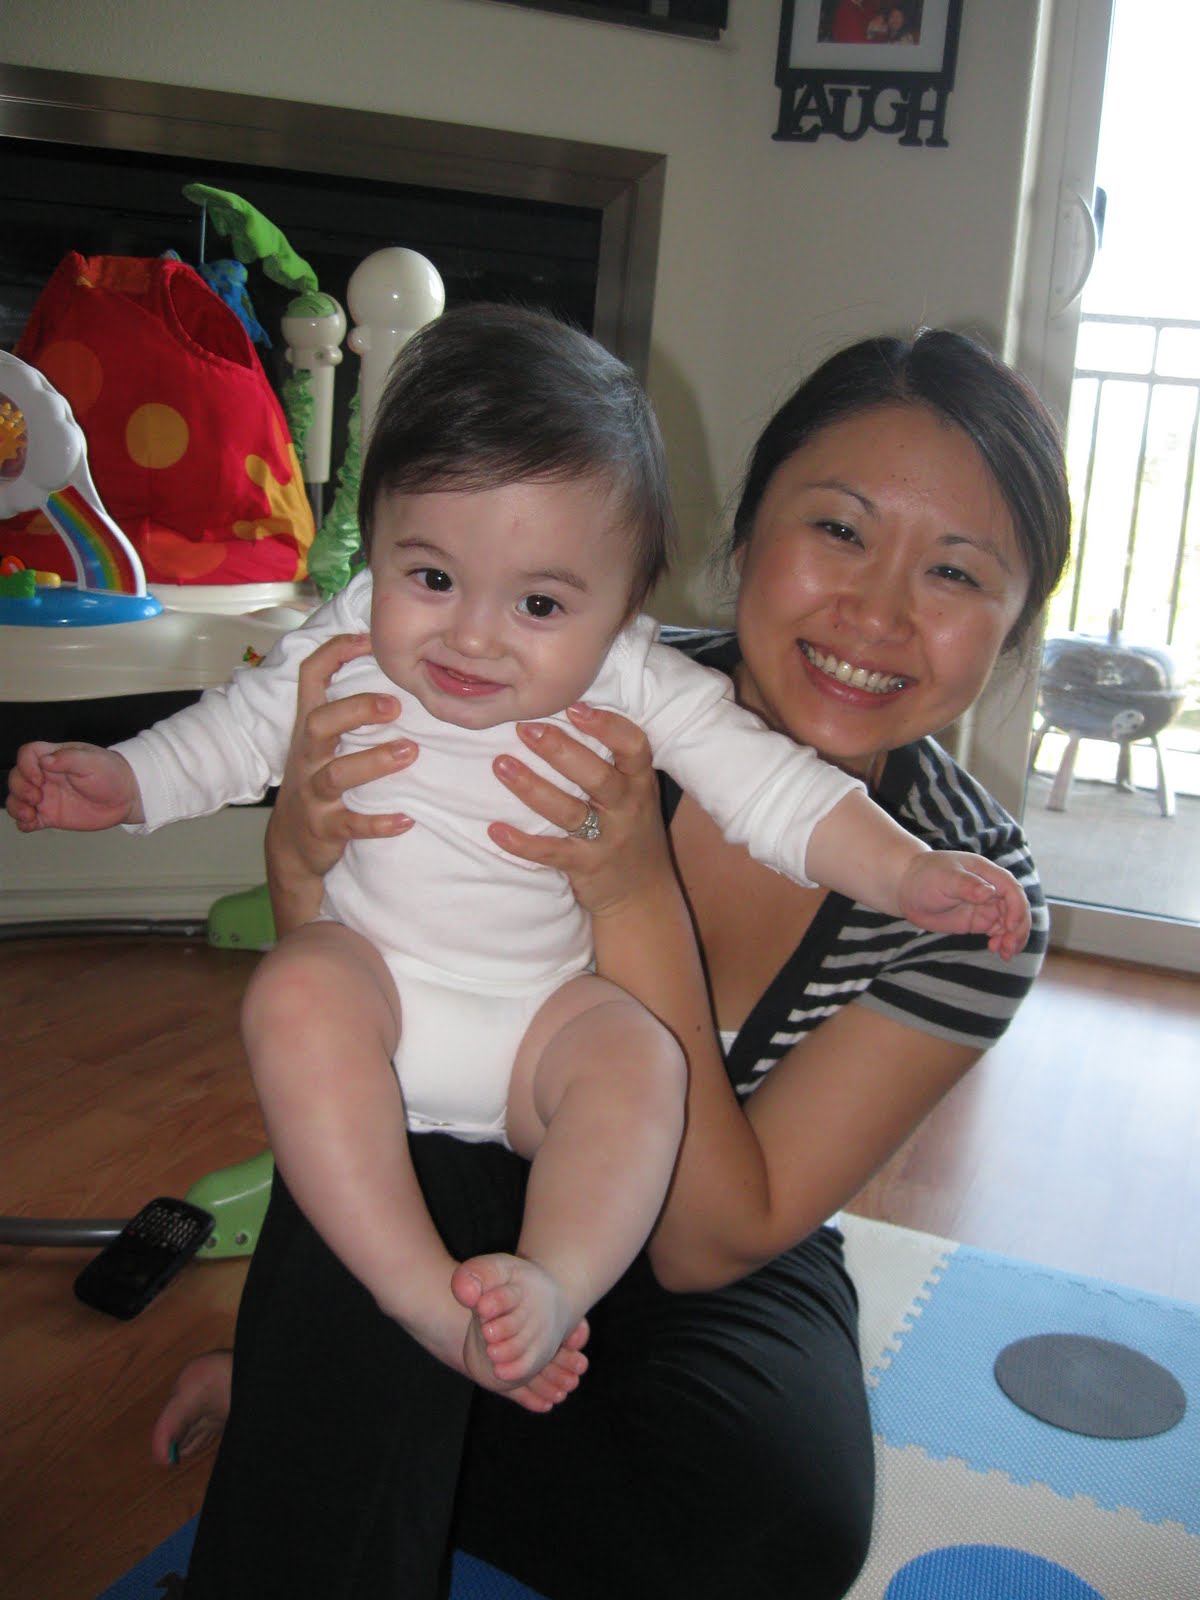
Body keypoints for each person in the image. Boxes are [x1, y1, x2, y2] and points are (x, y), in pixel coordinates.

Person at [96, 325, 1074, 1600]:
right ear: (743, 537)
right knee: (394, 1190)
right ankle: (356, 1394)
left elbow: (711, 1244)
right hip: (464, 1139)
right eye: (838, 529)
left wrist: (632, 892)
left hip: (709, 1216)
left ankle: (337, 1405)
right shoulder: (538, 665)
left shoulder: (968, 891)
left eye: (954, 573)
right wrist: (295, 851)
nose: (878, 612)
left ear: (1012, 629)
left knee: (776, 1529)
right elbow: (353, 1003)